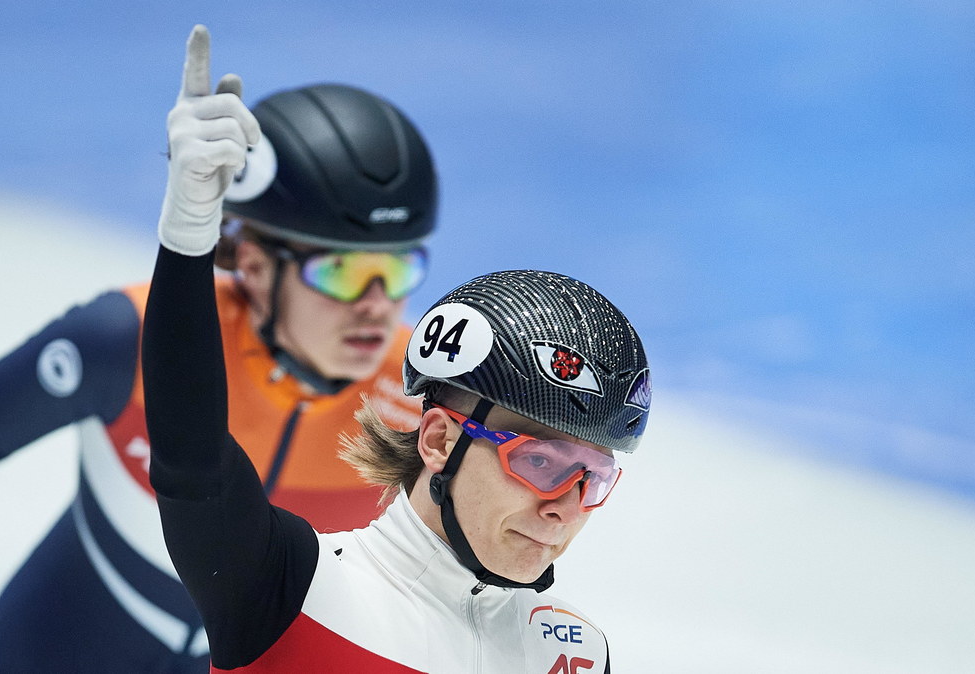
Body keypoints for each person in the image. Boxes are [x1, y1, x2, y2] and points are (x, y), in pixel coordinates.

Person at [0, 31, 440, 674]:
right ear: (258, 269)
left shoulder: (420, 391)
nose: (377, 303)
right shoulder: (125, 339)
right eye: (344, 273)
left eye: (399, 271)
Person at [144, 25, 652, 673]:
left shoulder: (573, 654)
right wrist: (187, 234)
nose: (564, 507)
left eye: (594, 478)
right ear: (438, 441)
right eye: (544, 463)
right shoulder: (292, 588)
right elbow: (190, 455)